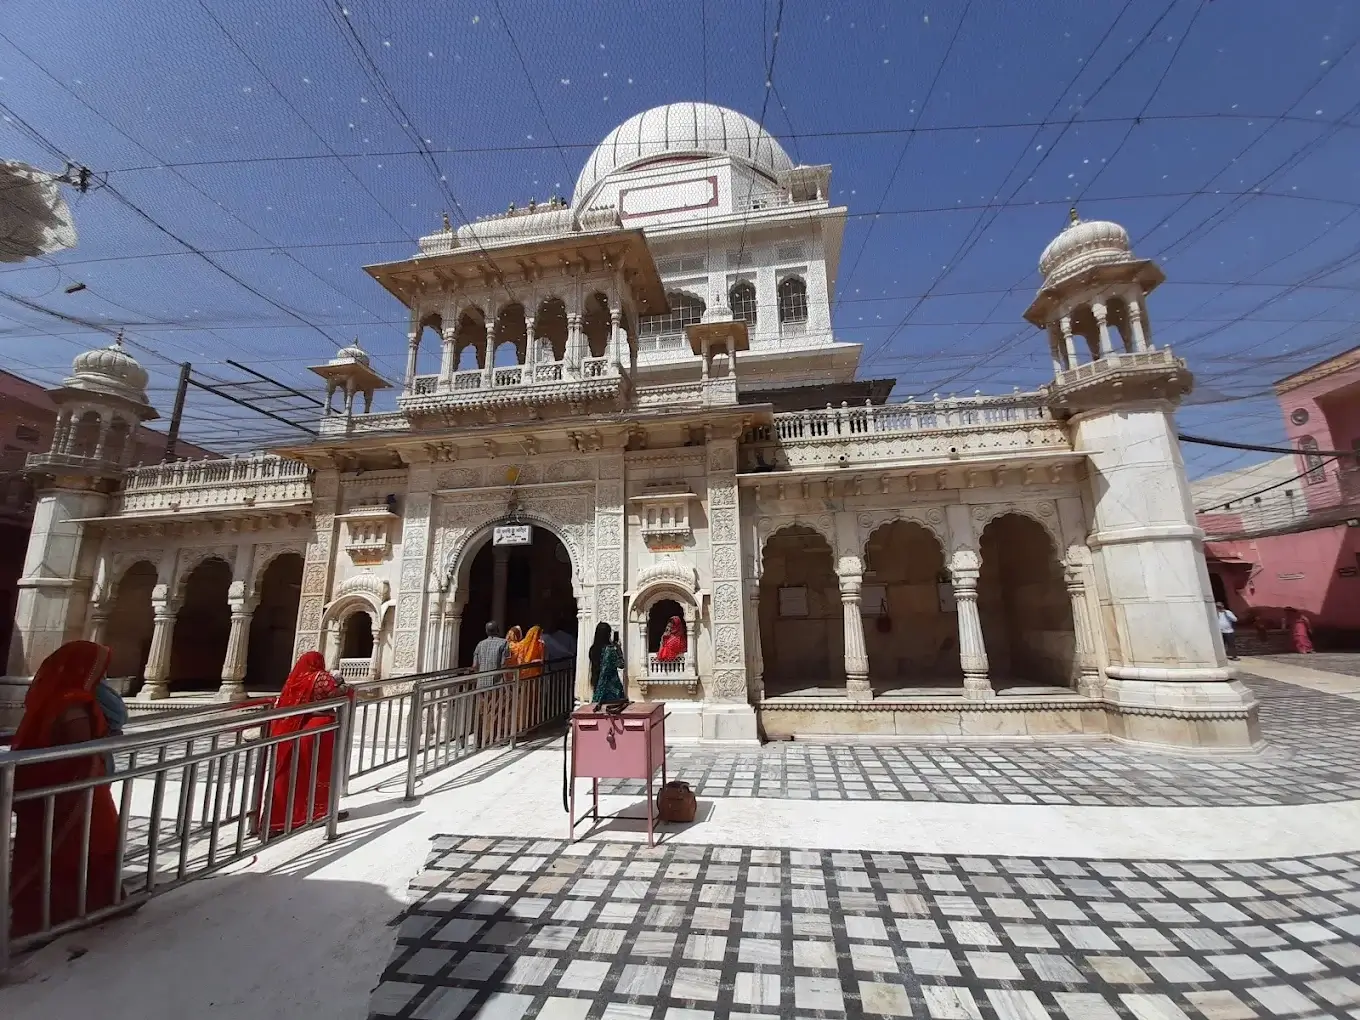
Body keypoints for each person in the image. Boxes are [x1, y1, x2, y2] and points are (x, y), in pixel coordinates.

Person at [8, 641, 122, 939]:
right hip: (76, 792)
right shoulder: (73, 701)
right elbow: (81, 747)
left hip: (70, 789)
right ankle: (68, 911)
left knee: (69, 846)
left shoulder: (58, 697)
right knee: (81, 846)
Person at [262, 651, 352, 836]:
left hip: (295, 730)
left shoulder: (294, 680)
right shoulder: (322, 678)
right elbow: (337, 695)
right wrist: (344, 684)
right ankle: (319, 813)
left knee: (291, 774)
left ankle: (277, 820)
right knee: (319, 774)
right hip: (320, 730)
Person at [510, 625, 546, 729]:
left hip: (526, 677)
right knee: (528, 702)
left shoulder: (524, 644)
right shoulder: (530, 645)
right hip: (531, 677)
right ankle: (527, 725)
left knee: (526, 702)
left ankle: (527, 725)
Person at [589, 622, 626, 704]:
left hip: (597, 684)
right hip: (611, 688)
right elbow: (621, 664)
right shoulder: (610, 650)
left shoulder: (593, 649)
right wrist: (619, 651)